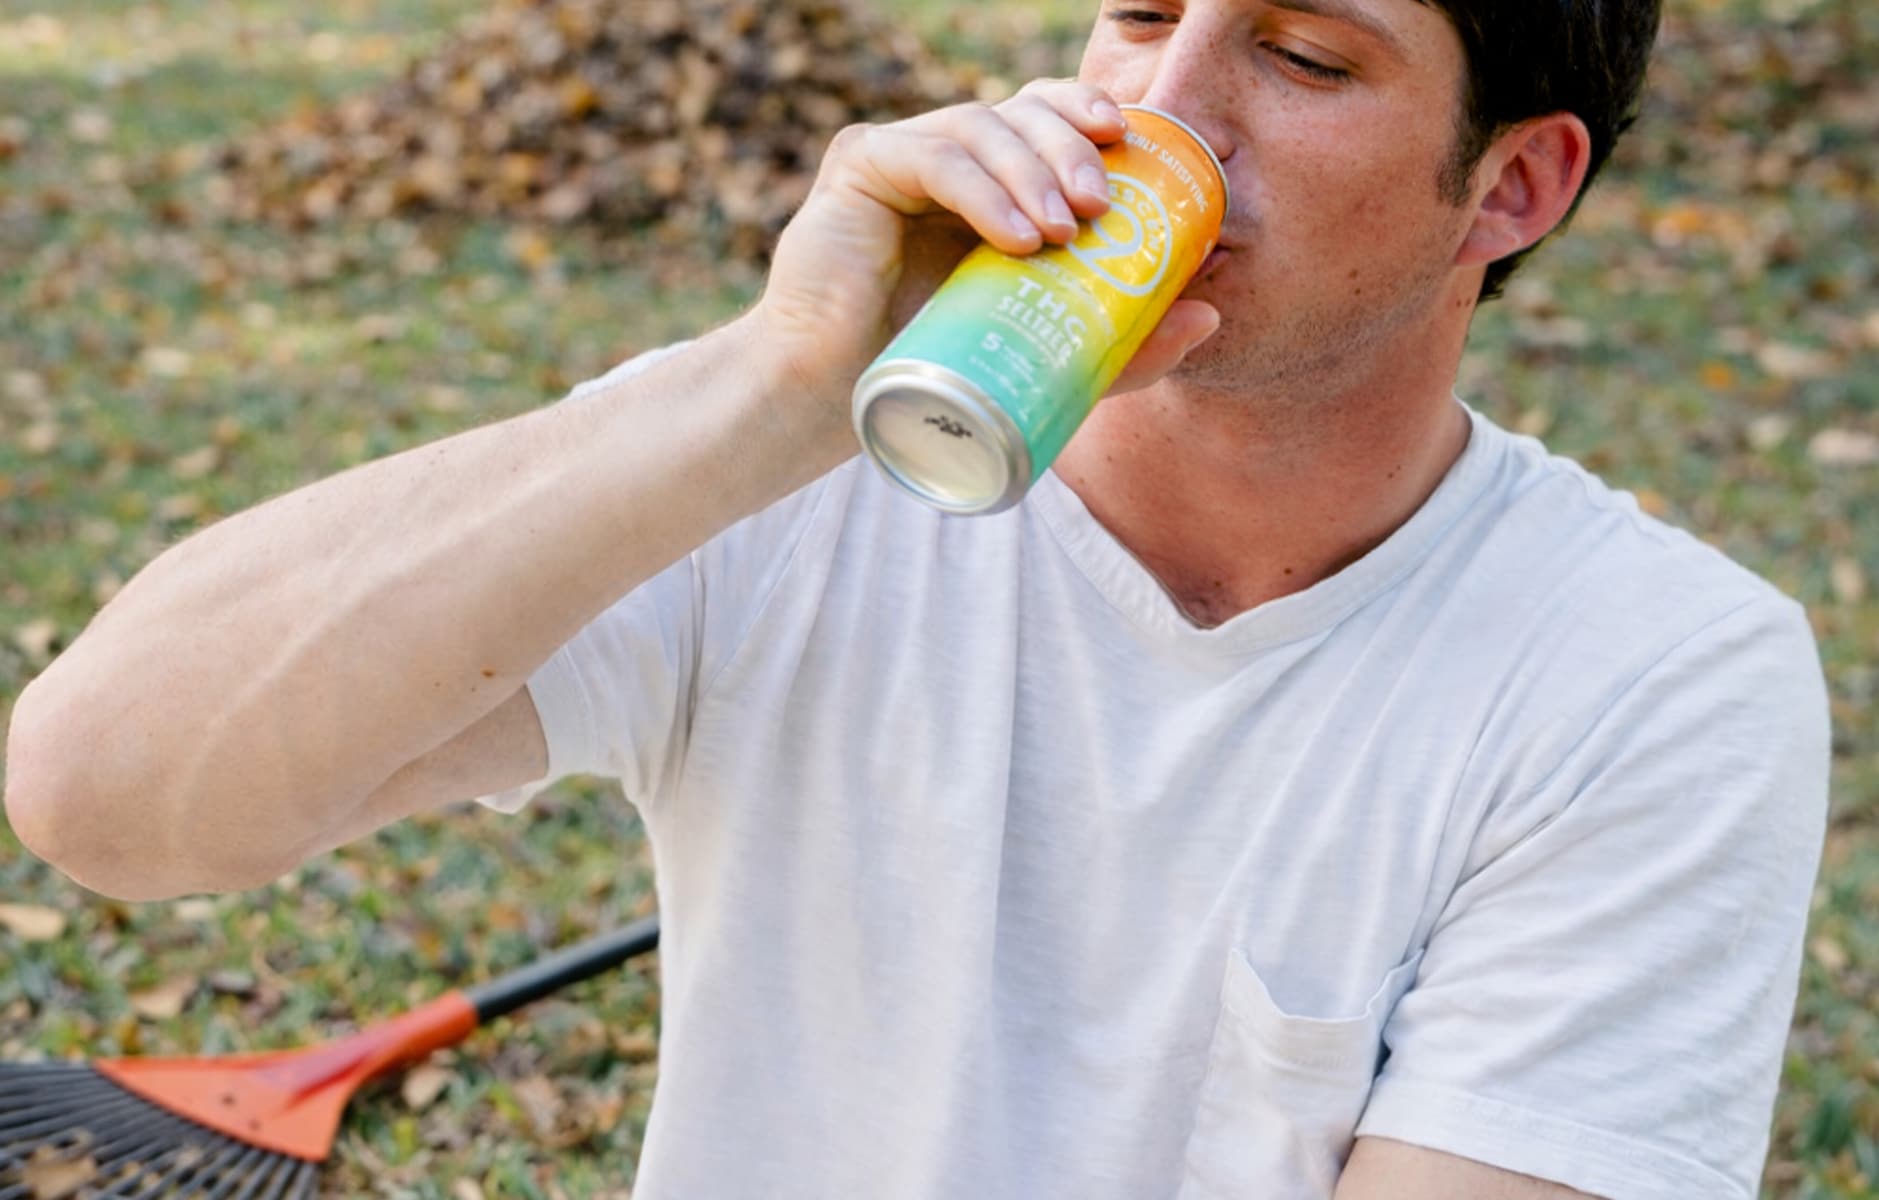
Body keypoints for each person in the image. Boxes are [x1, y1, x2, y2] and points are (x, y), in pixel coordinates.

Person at [4, 0, 1829, 1196]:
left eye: (1301, 54)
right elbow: (109, 797)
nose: (1157, 112)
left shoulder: (1652, 673)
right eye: (1135, 14)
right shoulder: (784, 463)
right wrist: (763, 387)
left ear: (1509, 187)